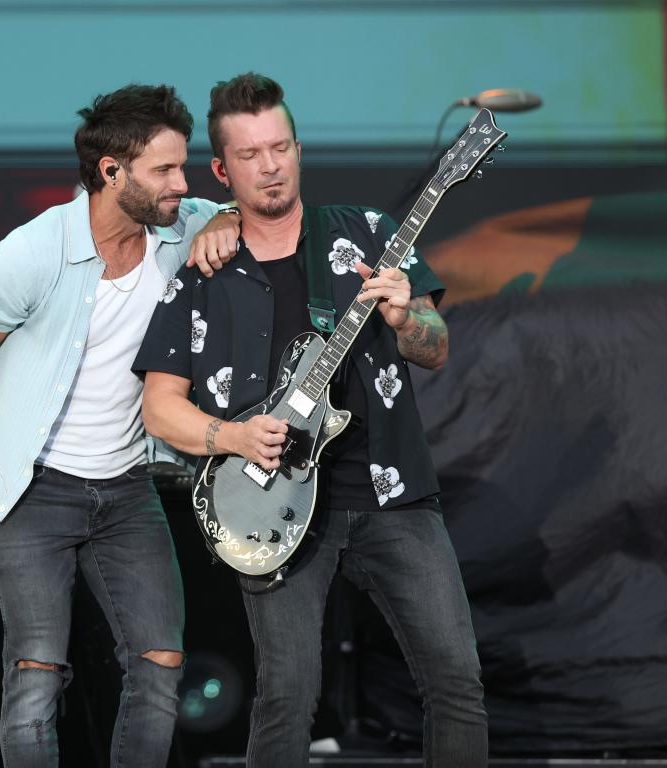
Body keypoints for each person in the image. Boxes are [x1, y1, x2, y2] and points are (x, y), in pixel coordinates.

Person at [134, 73, 487, 767]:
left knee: (455, 680)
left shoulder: (366, 234)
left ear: (298, 148)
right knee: (286, 694)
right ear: (221, 169)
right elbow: (159, 407)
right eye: (250, 154)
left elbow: (435, 348)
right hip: (275, 507)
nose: (269, 166)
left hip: (391, 496)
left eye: (281, 147)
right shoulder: (204, 275)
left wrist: (402, 313)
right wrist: (231, 436)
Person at [0, 83, 240, 768]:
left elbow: (248, 210)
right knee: (37, 680)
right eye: (163, 169)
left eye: (182, 167)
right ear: (111, 172)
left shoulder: (178, 225)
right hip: (38, 492)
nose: (179, 184)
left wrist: (226, 217)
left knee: (159, 665)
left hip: (128, 490)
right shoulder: (33, 252)